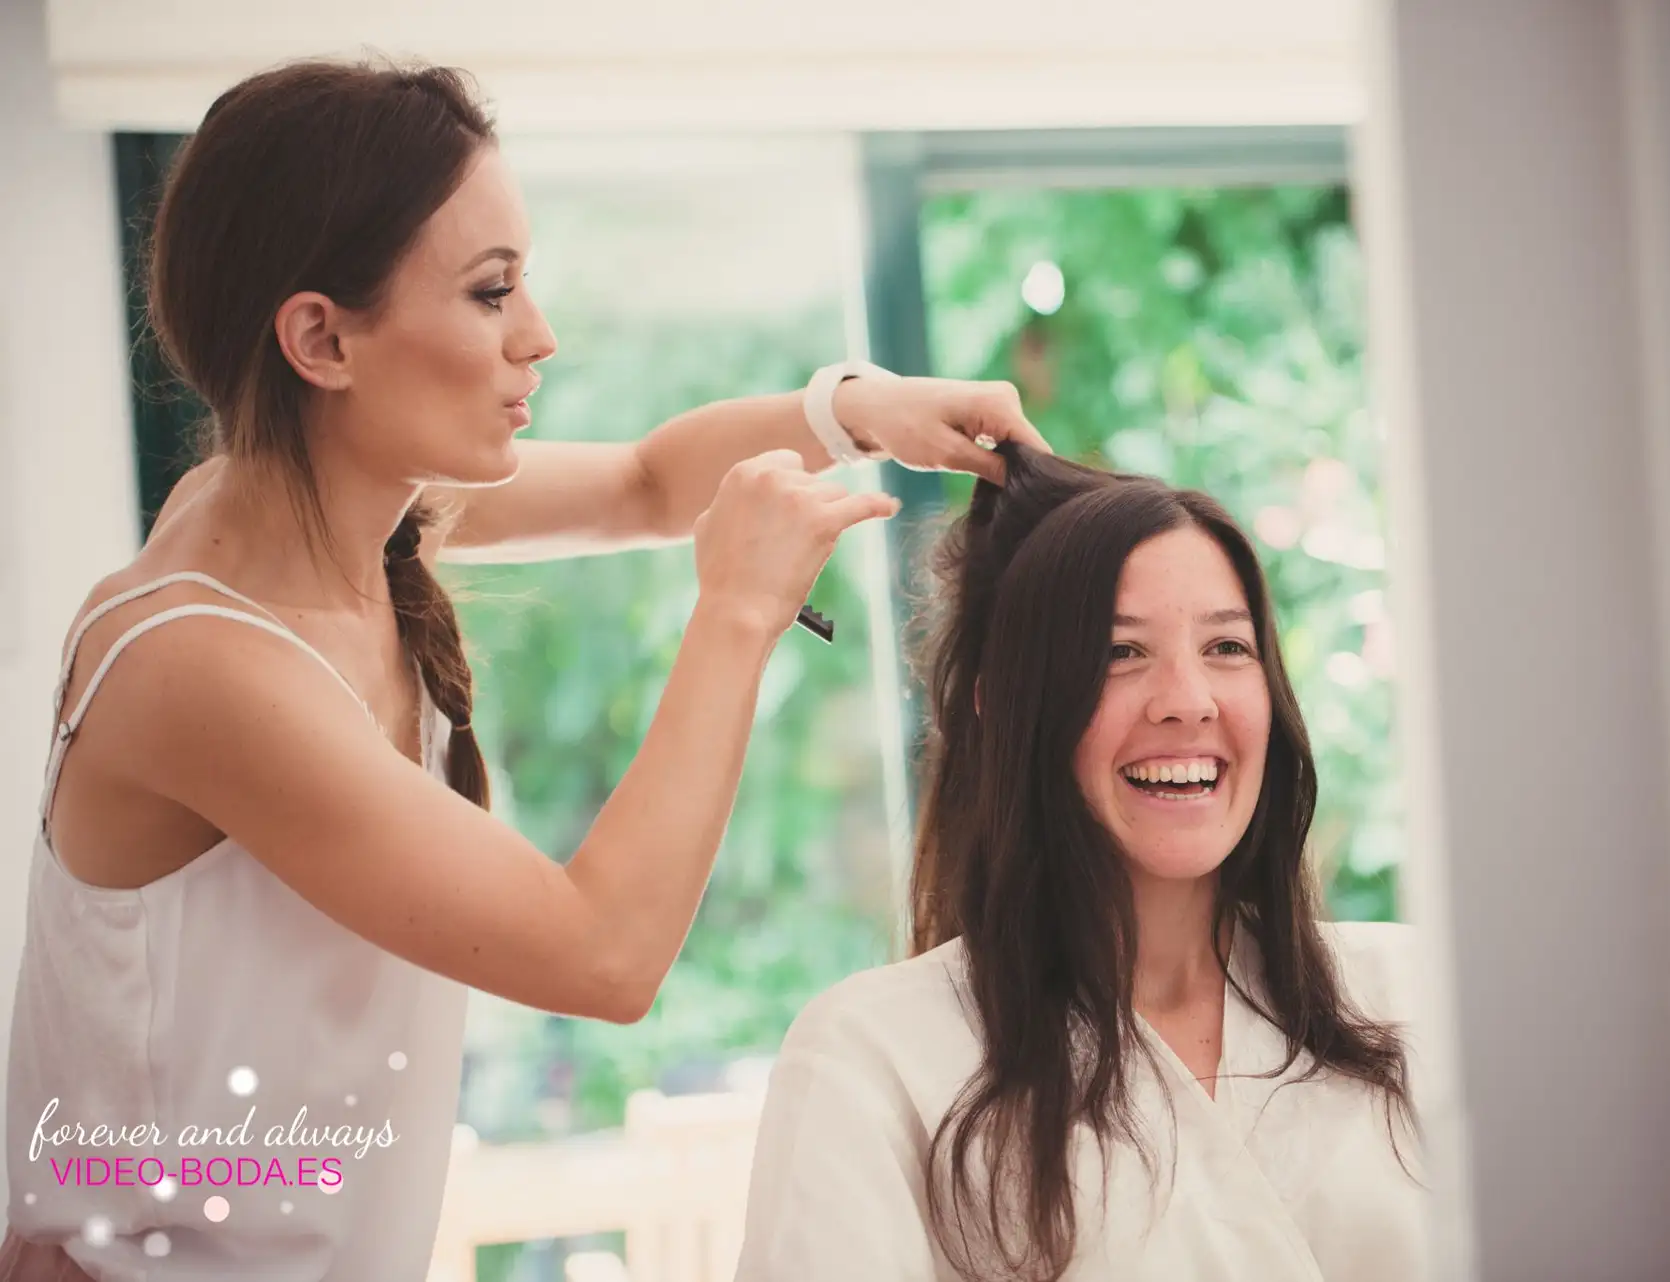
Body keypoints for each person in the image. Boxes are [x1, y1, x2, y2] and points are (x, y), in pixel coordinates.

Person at [0, 59, 1048, 1281]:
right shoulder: (200, 664)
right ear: (321, 338)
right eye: (491, 291)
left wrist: (864, 408)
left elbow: (647, 483)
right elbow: (603, 954)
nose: (538, 335)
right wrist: (737, 611)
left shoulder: (330, 511)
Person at [734, 445, 1426, 1282]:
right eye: (1120, 653)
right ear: (1000, 704)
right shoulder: (873, 1057)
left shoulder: (1413, 996)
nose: (1188, 701)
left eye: (1227, 647)